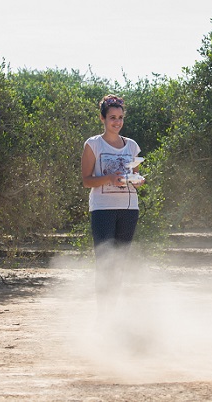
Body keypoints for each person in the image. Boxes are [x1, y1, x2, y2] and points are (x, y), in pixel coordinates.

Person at [81, 94, 144, 319]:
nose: (117, 122)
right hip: (102, 208)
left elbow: (135, 177)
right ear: (102, 119)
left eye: (120, 118)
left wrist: (138, 180)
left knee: (119, 263)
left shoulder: (132, 145)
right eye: (112, 118)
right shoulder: (93, 144)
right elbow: (87, 180)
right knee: (105, 262)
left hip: (129, 209)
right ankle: (102, 317)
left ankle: (113, 315)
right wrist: (109, 178)